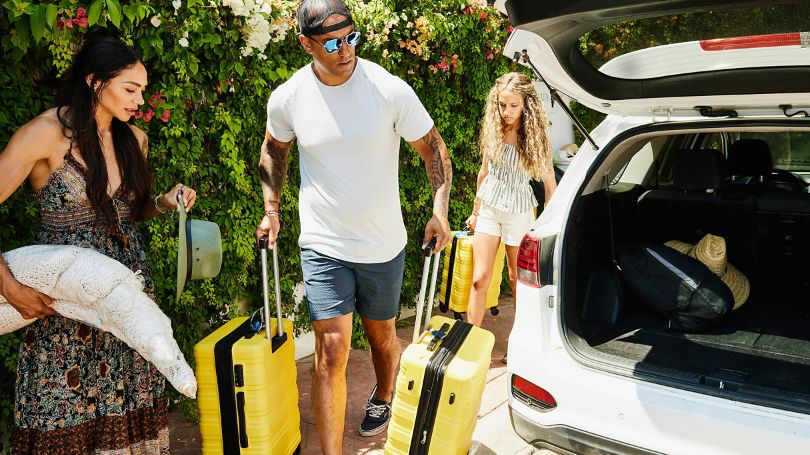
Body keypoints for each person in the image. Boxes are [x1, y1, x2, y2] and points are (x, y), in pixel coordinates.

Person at [254, 0, 452, 451]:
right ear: (306, 44)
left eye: (352, 38)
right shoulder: (289, 98)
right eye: (332, 43)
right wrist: (272, 210)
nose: (346, 50)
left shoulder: (389, 89)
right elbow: (274, 151)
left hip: (382, 244)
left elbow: (434, 150)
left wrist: (439, 210)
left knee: (382, 339)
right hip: (323, 242)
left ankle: (383, 393)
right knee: (330, 351)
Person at [0, 36, 196, 453]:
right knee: (62, 414)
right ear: (94, 81)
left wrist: (162, 203)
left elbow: (129, 212)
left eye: (142, 89)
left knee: (131, 413)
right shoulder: (45, 134)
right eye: (130, 88)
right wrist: (8, 286)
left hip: (128, 299)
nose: (139, 100)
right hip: (66, 298)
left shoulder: (134, 140)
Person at [465, 72, 556, 330]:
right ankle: (470, 341)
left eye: (513, 105)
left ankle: (518, 344)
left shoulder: (536, 136)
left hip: (519, 211)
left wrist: (545, 226)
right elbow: (483, 173)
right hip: (490, 208)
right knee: (479, 279)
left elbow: (550, 186)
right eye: (502, 105)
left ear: (526, 103)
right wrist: (475, 211)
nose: (506, 111)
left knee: (517, 280)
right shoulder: (494, 127)